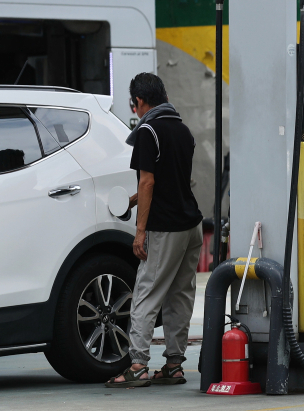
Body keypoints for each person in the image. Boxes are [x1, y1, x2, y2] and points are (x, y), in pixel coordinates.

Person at [106, 73, 203, 388]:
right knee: (180, 297)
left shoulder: (148, 131)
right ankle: (174, 365)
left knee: (146, 294)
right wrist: (134, 201)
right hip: (191, 226)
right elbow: (166, 181)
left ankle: (137, 365)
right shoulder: (182, 130)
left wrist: (140, 231)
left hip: (165, 229)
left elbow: (148, 180)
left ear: (139, 102)